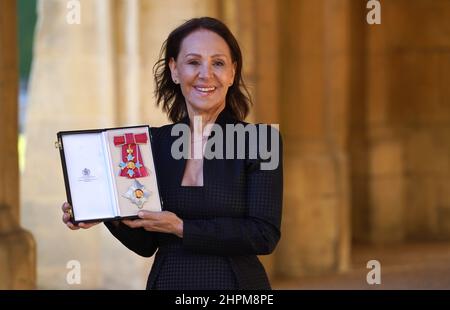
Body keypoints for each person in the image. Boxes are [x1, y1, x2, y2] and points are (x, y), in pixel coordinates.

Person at [62, 16, 283, 290]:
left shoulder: (261, 141)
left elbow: (264, 235)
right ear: (175, 70)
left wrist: (181, 227)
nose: (206, 74)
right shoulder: (153, 142)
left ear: (232, 72)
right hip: (169, 281)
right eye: (193, 62)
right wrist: (106, 211)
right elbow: (146, 244)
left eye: (218, 63)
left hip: (235, 285)